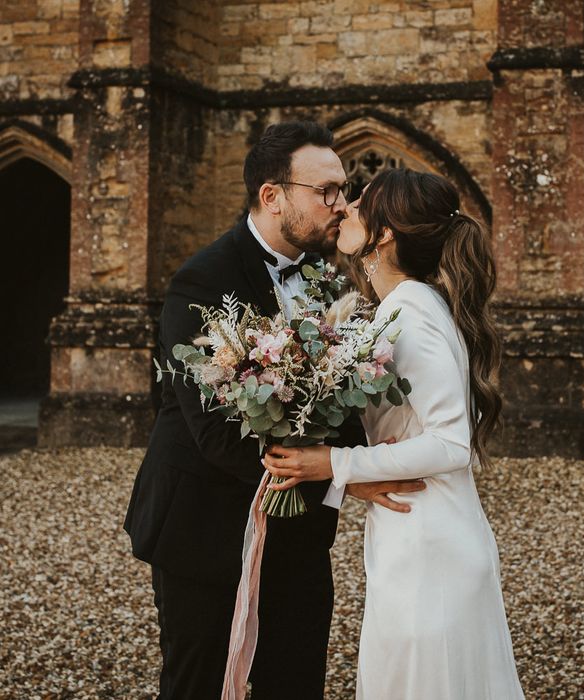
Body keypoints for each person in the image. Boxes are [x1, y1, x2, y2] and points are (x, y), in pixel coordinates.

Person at [123, 122, 426, 700]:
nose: (342, 205)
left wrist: (356, 458)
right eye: (328, 192)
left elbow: (339, 397)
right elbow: (213, 432)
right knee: (200, 686)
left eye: (344, 190)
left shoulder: (325, 279)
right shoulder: (200, 282)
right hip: (203, 529)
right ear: (272, 196)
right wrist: (338, 475)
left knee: (296, 683)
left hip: (300, 535)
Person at [264, 168, 526, 699]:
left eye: (360, 203)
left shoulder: (412, 311)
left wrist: (335, 465)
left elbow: (452, 442)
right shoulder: (402, 307)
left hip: (432, 545)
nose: (347, 208)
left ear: (383, 235)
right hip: (417, 533)